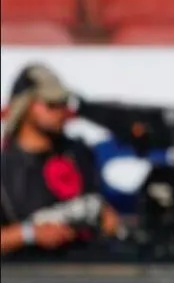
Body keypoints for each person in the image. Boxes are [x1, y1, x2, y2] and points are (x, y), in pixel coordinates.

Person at [0, 63, 123, 260]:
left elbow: (99, 205)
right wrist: (29, 234)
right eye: (51, 104)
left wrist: (107, 217)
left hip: (88, 273)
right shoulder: (6, 169)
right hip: (30, 279)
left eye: (63, 103)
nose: (61, 111)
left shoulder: (78, 153)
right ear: (25, 106)